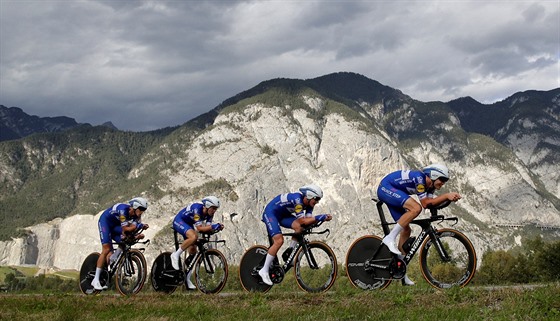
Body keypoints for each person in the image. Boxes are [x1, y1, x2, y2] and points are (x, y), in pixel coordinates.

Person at [376, 163, 461, 285]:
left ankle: (402, 274)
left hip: (395, 192)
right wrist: (446, 195)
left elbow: (431, 203)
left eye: (445, 181)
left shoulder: (430, 187)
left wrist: (448, 200)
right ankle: (390, 238)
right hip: (386, 188)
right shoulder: (419, 179)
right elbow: (425, 204)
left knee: (406, 230)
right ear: (434, 175)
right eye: (442, 179)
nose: (443, 183)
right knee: (416, 208)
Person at [258, 184, 332, 286]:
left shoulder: (310, 205)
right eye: (316, 199)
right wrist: (320, 217)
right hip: (271, 213)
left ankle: (289, 251)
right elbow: (303, 220)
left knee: (300, 228)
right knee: (279, 241)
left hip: (283, 215)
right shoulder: (298, 200)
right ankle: (264, 270)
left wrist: (322, 219)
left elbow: (307, 222)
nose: (317, 202)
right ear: (310, 196)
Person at [91, 197, 149, 291]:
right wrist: (139, 226)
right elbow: (126, 229)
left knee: (128, 240)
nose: (142, 212)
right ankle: (95, 279)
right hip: (105, 223)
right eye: (141, 209)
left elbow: (131, 231)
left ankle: (114, 257)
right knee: (106, 250)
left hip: (116, 226)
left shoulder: (136, 216)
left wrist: (137, 235)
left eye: (144, 210)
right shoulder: (123, 210)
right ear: (134, 207)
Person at [170, 196, 224, 289]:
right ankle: (175, 255)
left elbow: (207, 228)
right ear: (207, 206)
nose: (214, 211)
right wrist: (214, 226)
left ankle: (186, 277)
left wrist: (216, 228)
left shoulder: (210, 214)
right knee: (194, 236)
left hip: (188, 224)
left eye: (216, 209)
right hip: (179, 221)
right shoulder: (197, 209)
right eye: (213, 208)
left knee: (193, 251)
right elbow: (199, 228)